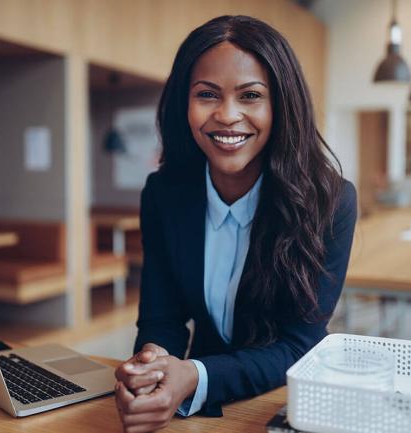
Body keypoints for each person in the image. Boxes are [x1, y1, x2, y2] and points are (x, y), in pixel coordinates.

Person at [114, 15, 357, 433]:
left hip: (280, 404)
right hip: (197, 409)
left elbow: (300, 344)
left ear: (280, 105)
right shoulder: (164, 194)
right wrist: (151, 368)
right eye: (207, 94)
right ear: (184, 105)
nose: (227, 115)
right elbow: (162, 317)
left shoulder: (329, 202)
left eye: (250, 96)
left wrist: (193, 376)